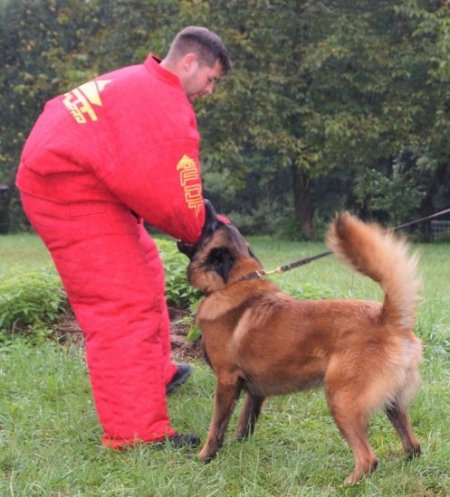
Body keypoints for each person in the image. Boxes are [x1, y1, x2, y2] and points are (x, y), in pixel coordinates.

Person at [15, 26, 231, 450]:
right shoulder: (163, 106)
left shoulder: (140, 81)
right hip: (65, 192)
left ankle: (152, 376)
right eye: (211, 80)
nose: (209, 91)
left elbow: (139, 175)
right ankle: (135, 432)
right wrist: (207, 229)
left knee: (146, 269)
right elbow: (175, 200)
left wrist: (203, 219)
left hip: (80, 180)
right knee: (120, 303)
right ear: (190, 62)